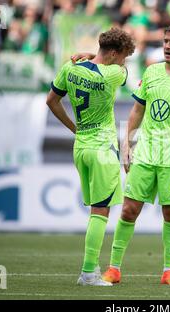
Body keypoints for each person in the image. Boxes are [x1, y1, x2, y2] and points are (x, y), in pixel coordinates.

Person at [102, 25, 170, 285]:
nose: (167, 46)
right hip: (146, 153)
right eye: (165, 41)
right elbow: (136, 112)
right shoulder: (151, 72)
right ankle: (114, 269)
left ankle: (168, 271)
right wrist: (127, 144)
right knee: (129, 210)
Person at [46, 27, 135, 286]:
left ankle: (89, 270)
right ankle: (88, 272)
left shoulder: (70, 68)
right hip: (102, 149)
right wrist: (97, 58)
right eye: (124, 56)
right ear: (115, 54)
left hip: (81, 147)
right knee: (100, 212)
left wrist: (73, 127)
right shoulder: (114, 74)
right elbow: (120, 71)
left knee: (96, 209)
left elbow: (52, 100)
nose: (125, 62)